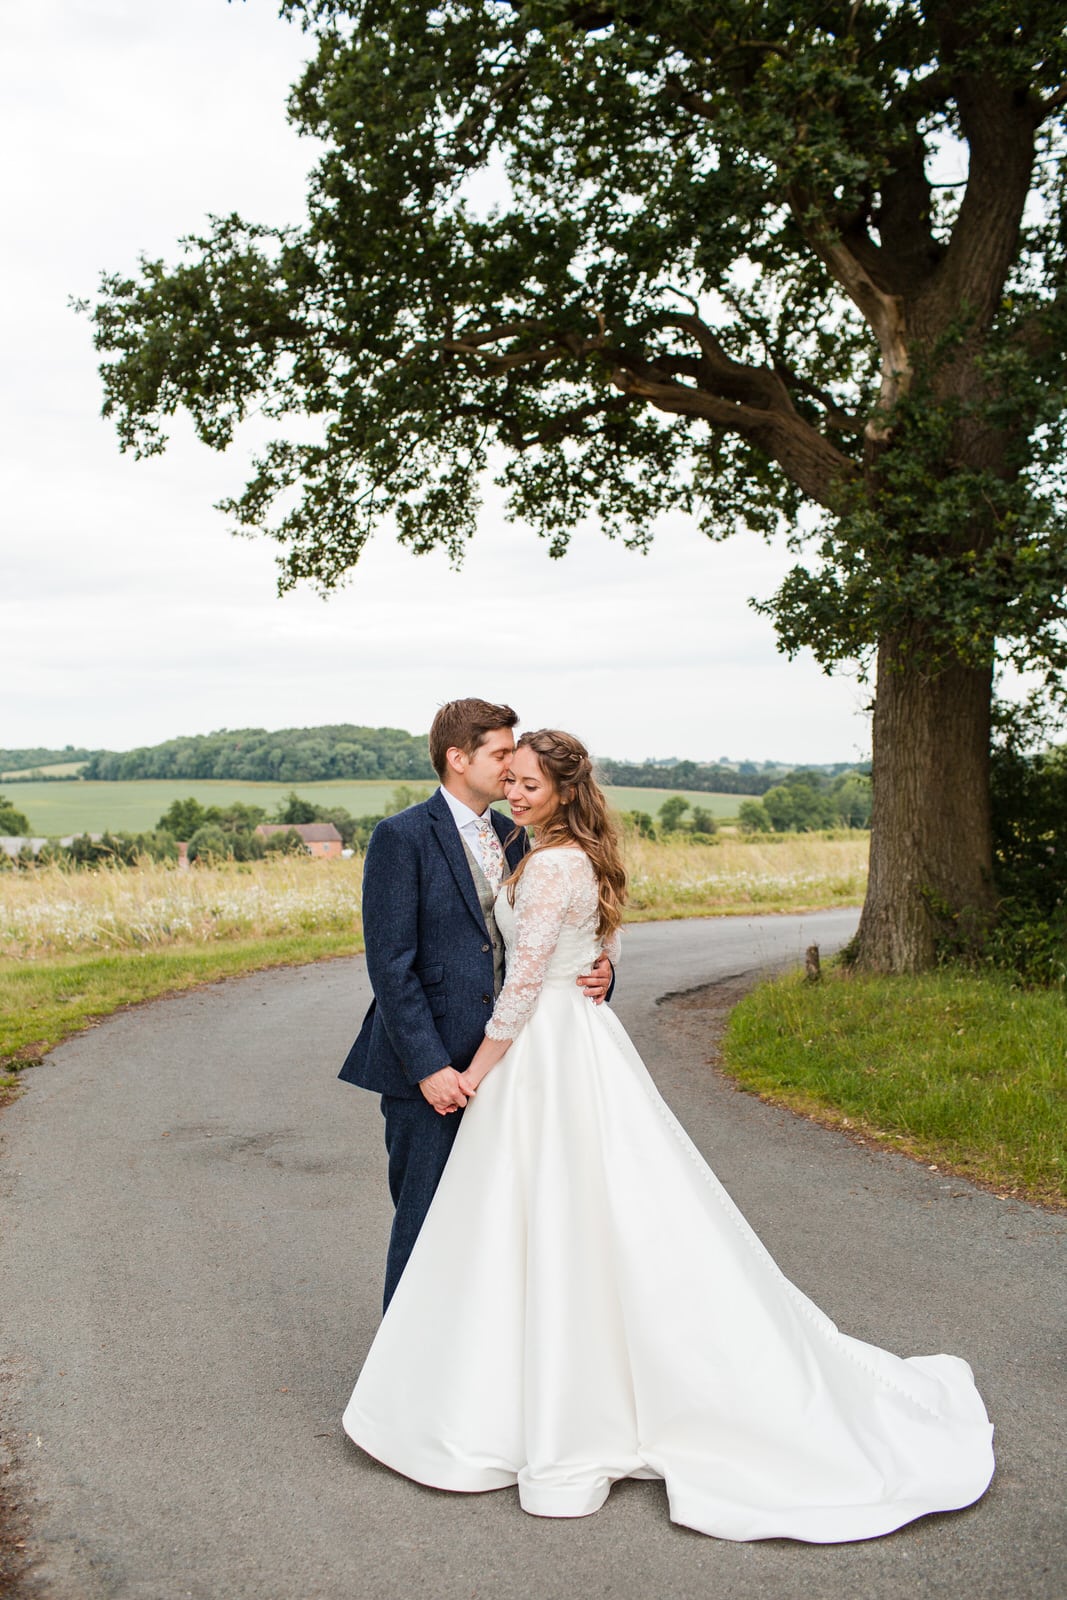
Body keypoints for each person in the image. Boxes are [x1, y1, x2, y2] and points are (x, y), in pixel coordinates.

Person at [342, 729, 995, 1543]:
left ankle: (523, 1394)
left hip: (534, 1051)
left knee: (544, 1212)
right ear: (465, 763)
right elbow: (542, 943)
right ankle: (460, 1370)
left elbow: (523, 981)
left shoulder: (547, 858)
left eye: (528, 783)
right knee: (516, 1214)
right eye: (507, 778)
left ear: (562, 790)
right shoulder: (531, 846)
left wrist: (480, 1065)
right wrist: (592, 966)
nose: (513, 793)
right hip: (535, 1048)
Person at [338, 700, 613, 1310]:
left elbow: (551, 934)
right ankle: (403, 1380)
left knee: (498, 1227)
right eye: (499, 755)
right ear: (458, 759)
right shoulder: (401, 837)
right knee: (427, 1221)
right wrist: (429, 1067)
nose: (511, 767)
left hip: (515, 1068)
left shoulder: (520, 832)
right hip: (432, 1074)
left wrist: (599, 968)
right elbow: (391, 967)